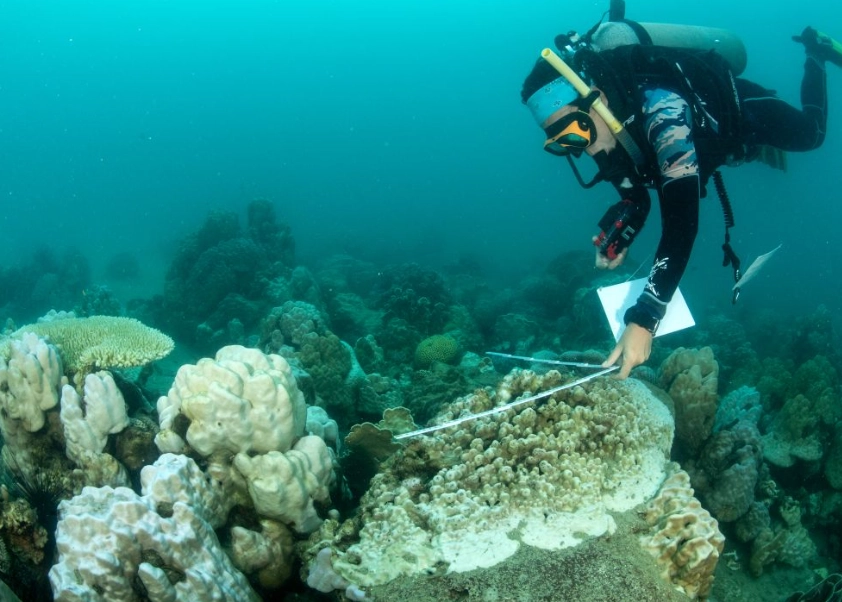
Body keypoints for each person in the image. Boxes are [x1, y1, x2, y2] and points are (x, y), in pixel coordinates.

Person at [521, 25, 841, 379]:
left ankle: (816, 51)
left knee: (811, 135)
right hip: (713, 151)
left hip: (739, 115)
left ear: (597, 97)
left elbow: (682, 220)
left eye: (575, 131)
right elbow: (635, 195)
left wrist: (645, 318)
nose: (579, 148)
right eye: (561, 143)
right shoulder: (598, 129)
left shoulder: (663, 110)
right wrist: (621, 232)